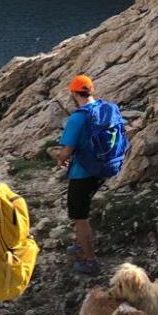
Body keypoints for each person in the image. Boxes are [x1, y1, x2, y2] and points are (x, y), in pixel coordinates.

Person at [56, 74, 105, 275]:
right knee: (82, 210)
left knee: (80, 217)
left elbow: (67, 150)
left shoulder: (78, 117)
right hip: (100, 170)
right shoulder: (103, 108)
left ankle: (90, 261)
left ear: (74, 93)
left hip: (82, 173)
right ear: (91, 90)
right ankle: (79, 245)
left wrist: (60, 159)